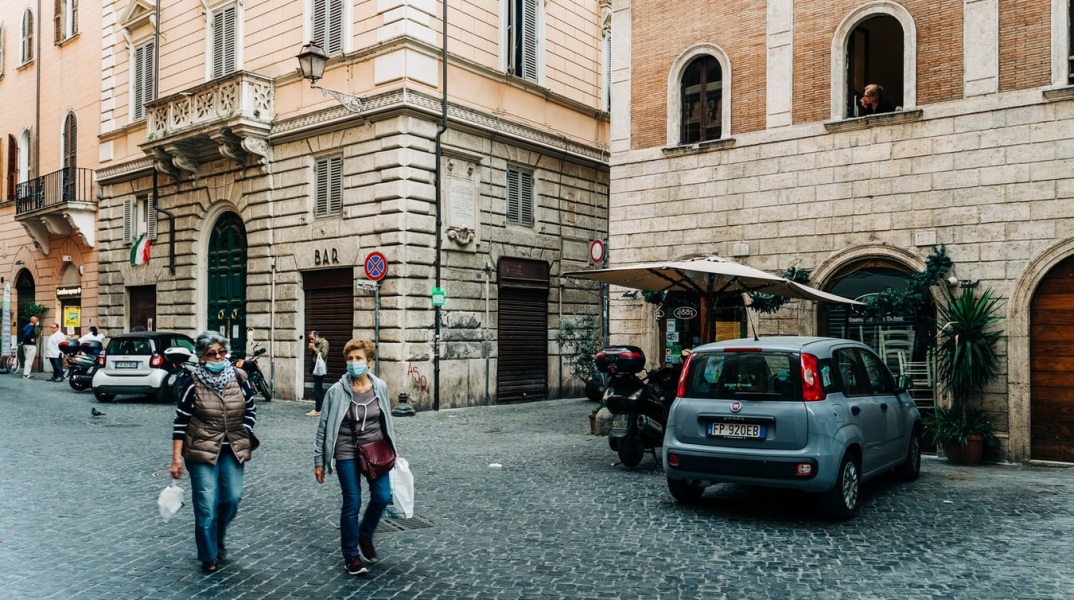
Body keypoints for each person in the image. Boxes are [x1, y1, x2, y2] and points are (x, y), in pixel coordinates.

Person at [169, 331, 258, 574]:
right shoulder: (192, 384)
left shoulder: (239, 378)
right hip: (200, 450)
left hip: (233, 449)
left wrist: (245, 428)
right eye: (212, 353)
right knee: (206, 505)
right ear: (201, 357)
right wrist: (176, 459)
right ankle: (208, 554)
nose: (218, 357)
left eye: (221, 352)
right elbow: (180, 422)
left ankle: (217, 539)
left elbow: (251, 409)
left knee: (231, 499)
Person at [314, 338, 398, 576]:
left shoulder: (380, 386)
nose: (353, 362)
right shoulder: (336, 391)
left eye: (358, 358)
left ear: (369, 362)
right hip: (346, 451)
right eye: (350, 359)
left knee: (382, 496)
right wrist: (319, 461)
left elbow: (386, 420)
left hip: (375, 449)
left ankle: (365, 534)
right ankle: (351, 555)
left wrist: (393, 447)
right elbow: (323, 428)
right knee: (352, 502)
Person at [307, 330, 329, 417]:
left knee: (316, 389)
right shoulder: (315, 343)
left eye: (312, 338)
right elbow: (313, 356)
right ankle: (321, 408)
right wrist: (311, 349)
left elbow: (323, 355)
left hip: (320, 369)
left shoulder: (324, 343)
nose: (311, 340)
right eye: (310, 339)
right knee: (319, 388)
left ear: (317, 336)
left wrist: (314, 348)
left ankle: (318, 410)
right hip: (315, 368)